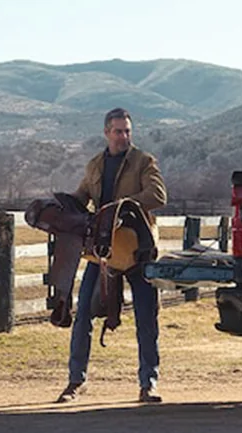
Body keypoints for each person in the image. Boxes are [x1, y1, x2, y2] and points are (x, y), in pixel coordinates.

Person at [58, 107, 168, 403]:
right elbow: (83, 198)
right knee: (83, 316)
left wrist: (123, 207)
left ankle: (149, 382)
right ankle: (75, 381)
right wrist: (62, 207)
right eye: (118, 131)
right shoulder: (94, 165)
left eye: (127, 131)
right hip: (103, 250)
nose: (124, 136)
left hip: (136, 249)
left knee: (147, 316)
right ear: (106, 132)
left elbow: (158, 195)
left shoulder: (144, 162)